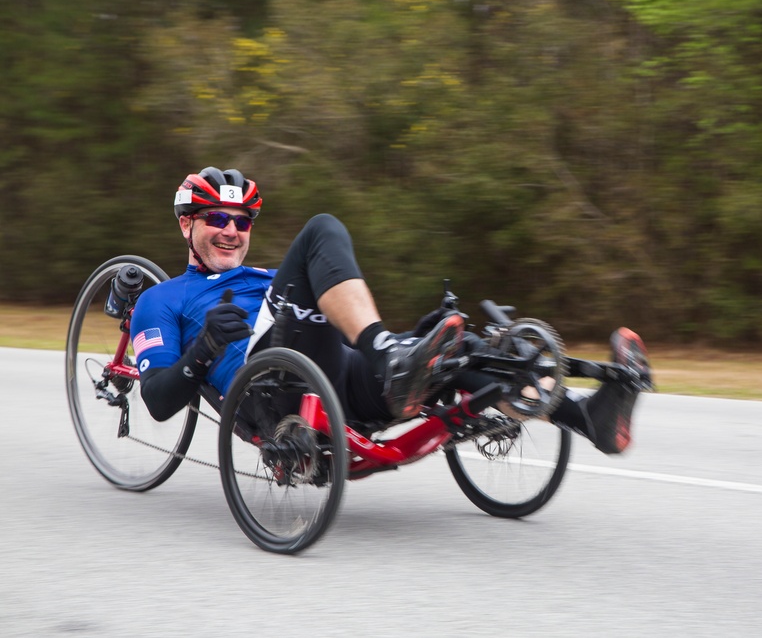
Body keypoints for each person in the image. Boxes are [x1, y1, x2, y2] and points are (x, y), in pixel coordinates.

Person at [131, 167, 651, 455]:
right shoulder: (162, 299)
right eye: (217, 218)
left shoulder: (270, 278)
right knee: (320, 229)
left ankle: (591, 418)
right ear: (187, 225)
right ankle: (391, 356)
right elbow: (156, 400)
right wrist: (205, 348)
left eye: (242, 222)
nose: (231, 230)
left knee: (463, 348)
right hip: (270, 388)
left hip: (341, 377)